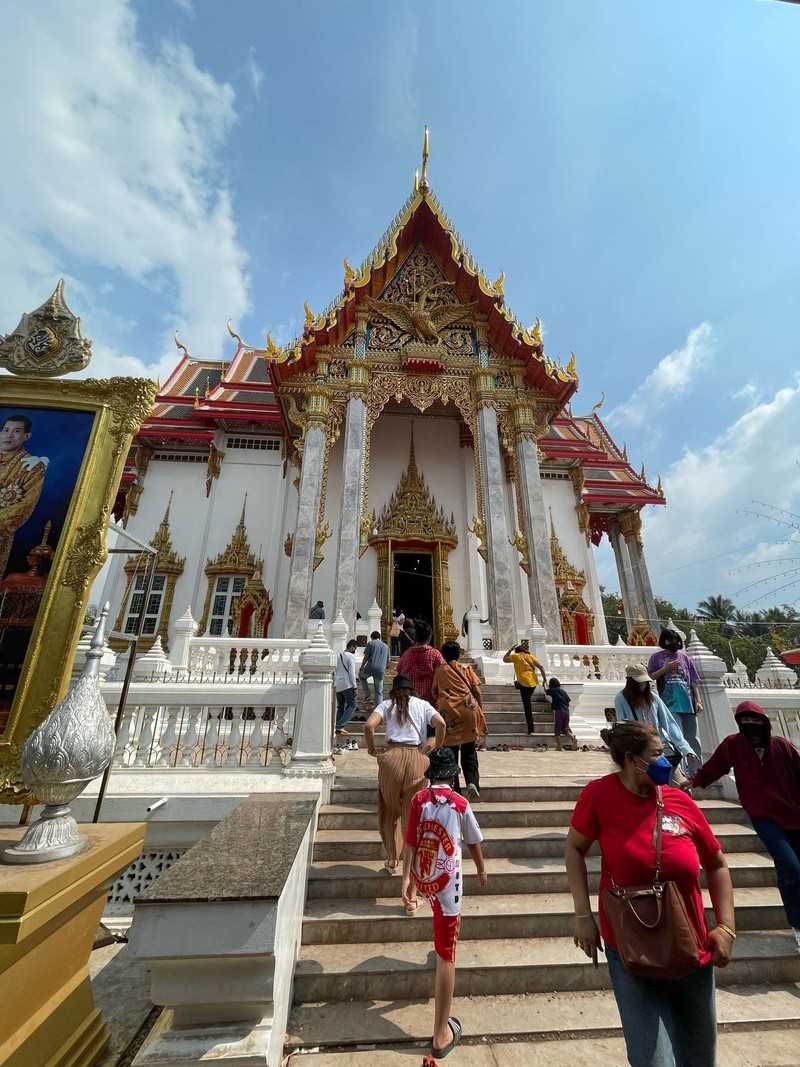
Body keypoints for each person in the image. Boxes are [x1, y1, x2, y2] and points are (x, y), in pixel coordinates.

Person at [566, 720, 735, 1067]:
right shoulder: (599, 796)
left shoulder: (679, 801)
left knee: (699, 1057)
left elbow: (717, 863)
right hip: (630, 948)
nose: (665, 761)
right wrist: (583, 917)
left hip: (690, 946)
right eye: (657, 755)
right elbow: (574, 849)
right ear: (631, 759)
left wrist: (727, 926)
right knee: (652, 1059)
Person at [691, 700, 800, 952]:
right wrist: (694, 781)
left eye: (755, 721)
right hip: (763, 816)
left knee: (789, 872)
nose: (751, 726)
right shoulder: (734, 745)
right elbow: (715, 766)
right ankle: (797, 924)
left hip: (794, 813)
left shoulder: (780, 746)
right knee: (792, 868)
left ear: (765, 723)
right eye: (745, 722)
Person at [402, 746, 487, 1059]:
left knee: (441, 944)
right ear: (453, 775)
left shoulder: (419, 800)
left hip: (425, 877)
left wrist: (407, 882)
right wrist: (481, 867)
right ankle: (440, 1034)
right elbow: (474, 841)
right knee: (447, 955)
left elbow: (410, 841)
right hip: (448, 885)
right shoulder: (460, 803)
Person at [364, 674, 446, 887]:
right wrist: (434, 747)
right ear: (412, 690)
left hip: (391, 758)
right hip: (417, 758)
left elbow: (368, 727)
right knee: (413, 816)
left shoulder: (386, 704)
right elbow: (441, 724)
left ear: (394, 689)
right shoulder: (423, 704)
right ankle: (414, 867)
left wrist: (373, 750)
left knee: (389, 812)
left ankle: (392, 859)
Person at [615, 663, 698, 782]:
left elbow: (670, 724)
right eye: (639, 682)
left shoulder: (653, 698)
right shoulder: (621, 699)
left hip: (659, 749)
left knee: (680, 785)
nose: (643, 685)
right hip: (637, 751)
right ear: (631, 682)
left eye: (644, 682)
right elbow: (623, 728)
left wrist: (686, 749)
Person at [432, 640, 487, 801]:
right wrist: (480, 710)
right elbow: (477, 690)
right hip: (468, 709)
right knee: (469, 750)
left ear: (443, 654)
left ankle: (454, 788)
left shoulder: (440, 670)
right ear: (459, 654)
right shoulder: (467, 668)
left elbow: (434, 691)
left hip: (449, 713)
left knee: (451, 752)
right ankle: (472, 782)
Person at [0, 414, 48, 577]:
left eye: (16, 431)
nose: (9, 435)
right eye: (6, 430)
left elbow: (24, 507)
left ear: (26, 436)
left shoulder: (32, 466)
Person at [647, 628, 704, 759]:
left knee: (692, 738)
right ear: (664, 641)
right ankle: (682, 770)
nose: (673, 643)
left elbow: (693, 681)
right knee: (676, 737)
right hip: (669, 704)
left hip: (687, 703)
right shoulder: (657, 658)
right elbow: (650, 676)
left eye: (675, 640)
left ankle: (696, 770)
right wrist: (665, 669)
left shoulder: (684, 657)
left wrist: (698, 701)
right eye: (669, 640)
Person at [503, 642, 546, 735]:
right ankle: (531, 728)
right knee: (528, 703)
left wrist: (510, 650)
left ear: (516, 651)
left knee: (527, 706)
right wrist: (545, 680)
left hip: (523, 682)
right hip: (533, 683)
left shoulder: (516, 656)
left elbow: (504, 659)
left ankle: (531, 729)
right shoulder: (531, 656)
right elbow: (541, 667)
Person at [397, 620, 445, 704]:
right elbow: (443, 673)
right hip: (430, 701)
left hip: (411, 701)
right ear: (429, 637)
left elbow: (399, 671)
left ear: (415, 637)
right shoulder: (435, 654)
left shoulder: (406, 655)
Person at [334, 638, 358, 749]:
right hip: (347, 684)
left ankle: (337, 725)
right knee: (352, 705)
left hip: (338, 685)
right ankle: (340, 725)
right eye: (355, 648)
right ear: (352, 646)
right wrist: (355, 686)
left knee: (341, 707)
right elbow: (352, 673)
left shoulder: (338, 656)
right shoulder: (351, 657)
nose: (355, 650)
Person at [360, 629, 389, 705]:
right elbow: (388, 661)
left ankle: (367, 694)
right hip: (381, 670)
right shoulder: (386, 646)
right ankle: (378, 707)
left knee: (361, 677)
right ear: (379, 637)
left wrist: (362, 666)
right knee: (379, 691)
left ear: (372, 637)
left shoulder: (371, 643)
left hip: (370, 667)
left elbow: (366, 657)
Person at [547, 677, 576, 751]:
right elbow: (568, 701)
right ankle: (573, 738)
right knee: (565, 729)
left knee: (557, 730)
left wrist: (544, 684)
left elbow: (546, 691)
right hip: (566, 711)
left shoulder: (553, 690)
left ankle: (559, 746)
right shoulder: (563, 691)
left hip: (559, 711)